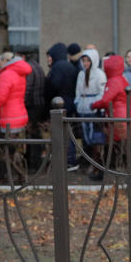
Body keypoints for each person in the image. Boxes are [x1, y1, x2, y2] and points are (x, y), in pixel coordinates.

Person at [91, 54, 131, 179]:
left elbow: (106, 100)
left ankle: (106, 177)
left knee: (112, 149)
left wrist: (93, 105)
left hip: (117, 119)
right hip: (123, 117)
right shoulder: (121, 78)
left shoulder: (114, 81)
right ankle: (118, 176)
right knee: (120, 150)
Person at [45, 42, 80, 170]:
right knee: (68, 131)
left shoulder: (57, 68)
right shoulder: (70, 66)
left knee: (63, 132)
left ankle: (69, 160)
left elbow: (54, 86)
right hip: (70, 103)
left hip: (60, 104)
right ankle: (70, 158)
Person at [74, 47, 107, 176]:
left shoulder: (99, 74)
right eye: (84, 60)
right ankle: (89, 162)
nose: (85, 63)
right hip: (82, 107)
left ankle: (96, 163)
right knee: (86, 137)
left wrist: (95, 105)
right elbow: (77, 90)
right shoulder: (81, 74)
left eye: (88, 60)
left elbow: (101, 92)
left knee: (95, 138)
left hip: (93, 109)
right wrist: (77, 102)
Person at [0, 52, 31, 133]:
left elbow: (0, 97)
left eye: (0, 60)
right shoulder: (19, 73)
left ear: (5, 61)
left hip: (9, 118)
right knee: (19, 143)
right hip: (21, 115)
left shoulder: (6, 75)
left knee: (9, 144)